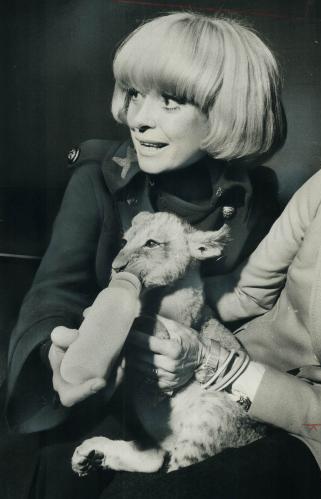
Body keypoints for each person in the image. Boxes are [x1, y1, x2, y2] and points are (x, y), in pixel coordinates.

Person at [2, 12, 287, 499]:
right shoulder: (98, 177)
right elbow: (54, 293)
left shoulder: (255, 196)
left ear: (227, 112)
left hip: (199, 406)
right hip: (104, 403)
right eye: (133, 94)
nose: (137, 118)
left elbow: (256, 317)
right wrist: (55, 351)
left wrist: (201, 361)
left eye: (170, 101)